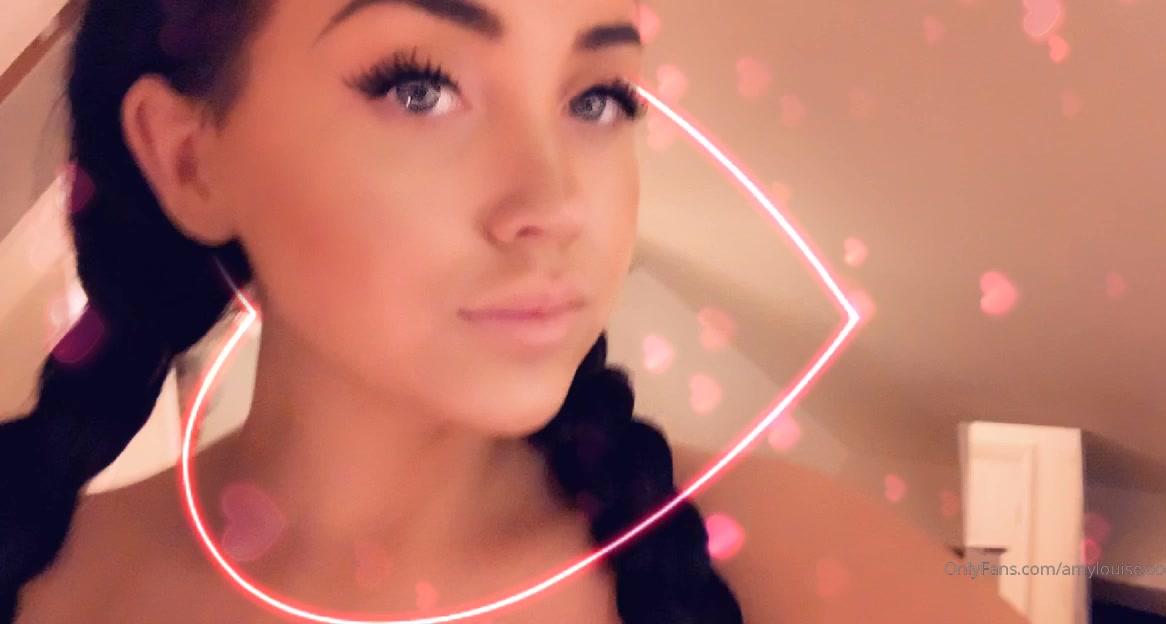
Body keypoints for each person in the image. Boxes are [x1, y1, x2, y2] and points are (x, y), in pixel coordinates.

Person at [0, 0, 1030, 622]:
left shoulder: (786, 563)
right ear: (191, 158)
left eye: (597, 98)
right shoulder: (38, 577)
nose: (553, 202)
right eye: (419, 88)